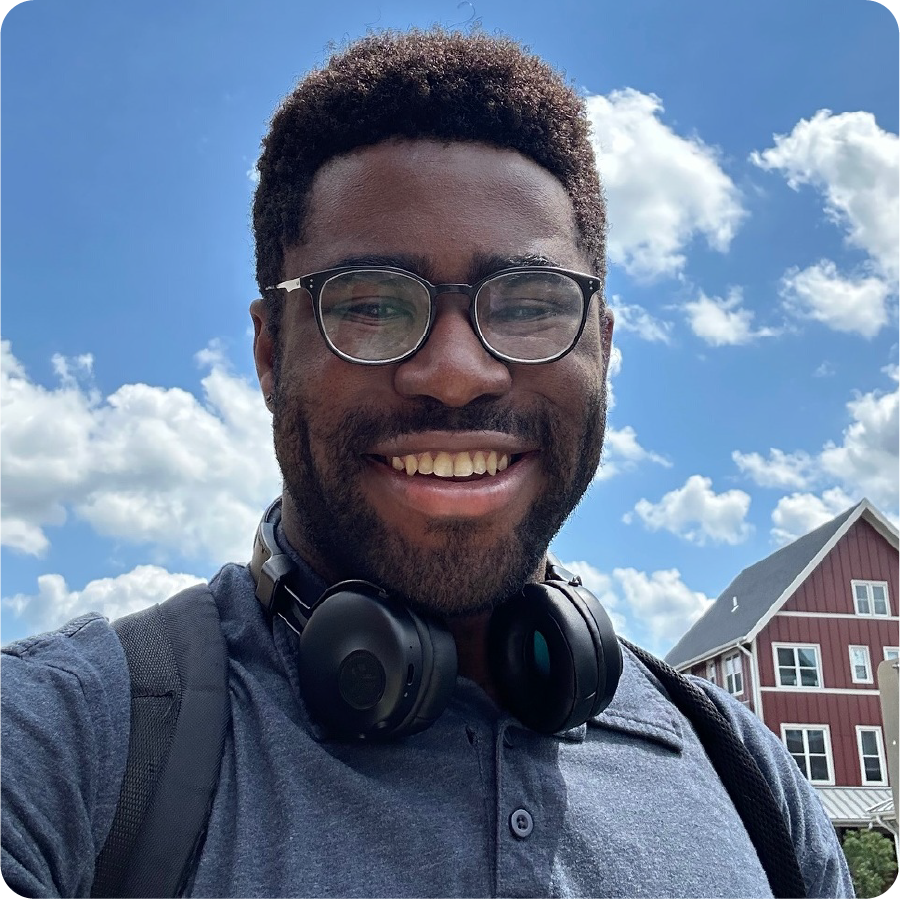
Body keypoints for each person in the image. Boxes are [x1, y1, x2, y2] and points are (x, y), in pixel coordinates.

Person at [1, 28, 853, 899]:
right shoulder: (67, 742)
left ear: (602, 349)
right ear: (269, 354)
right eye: (371, 305)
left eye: (528, 304)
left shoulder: (749, 781)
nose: (454, 373)